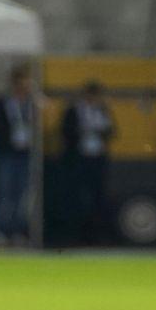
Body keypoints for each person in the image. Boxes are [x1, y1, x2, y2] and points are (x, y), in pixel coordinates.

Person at [0, 65, 36, 245]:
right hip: (5, 153)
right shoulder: (2, 102)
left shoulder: (31, 103)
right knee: (4, 193)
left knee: (22, 195)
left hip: (24, 153)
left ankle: (17, 230)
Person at [60, 81, 115, 245]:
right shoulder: (74, 111)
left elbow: (113, 131)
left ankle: (96, 235)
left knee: (98, 197)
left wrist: (100, 131)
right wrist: (82, 132)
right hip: (78, 160)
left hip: (97, 159)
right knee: (77, 197)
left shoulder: (103, 111)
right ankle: (75, 235)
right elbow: (65, 131)